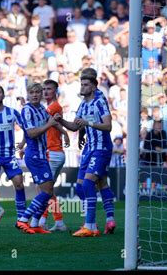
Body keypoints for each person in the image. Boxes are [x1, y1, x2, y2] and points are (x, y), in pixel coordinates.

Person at [54, 74, 113, 237]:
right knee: (83, 187)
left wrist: (89, 124)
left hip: (101, 148)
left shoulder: (100, 102)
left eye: (86, 84)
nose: (82, 87)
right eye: (81, 84)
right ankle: (100, 221)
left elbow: (108, 126)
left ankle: (90, 225)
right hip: (88, 149)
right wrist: (61, 121)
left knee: (89, 185)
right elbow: (75, 126)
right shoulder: (82, 105)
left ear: (94, 87)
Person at [15, 83, 59, 234]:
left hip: (41, 155)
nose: (35, 95)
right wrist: (50, 124)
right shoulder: (27, 110)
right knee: (47, 191)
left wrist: (64, 132)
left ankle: (34, 223)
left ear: (41, 94)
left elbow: (51, 121)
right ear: (28, 94)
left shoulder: (41, 109)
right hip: (34, 156)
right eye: (32, 92)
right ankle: (23, 219)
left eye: (37, 92)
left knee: (48, 190)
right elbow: (32, 133)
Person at [0, 85, 26, 230]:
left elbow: (26, 127)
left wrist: (23, 144)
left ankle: (21, 217)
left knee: (19, 183)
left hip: (9, 156)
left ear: (3, 95)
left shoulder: (12, 112)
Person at [31, 79, 70, 232]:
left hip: (53, 152)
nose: (46, 91)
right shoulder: (50, 107)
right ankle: (58, 222)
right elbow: (53, 123)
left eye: (49, 89)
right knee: (47, 189)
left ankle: (41, 220)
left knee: (43, 189)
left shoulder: (54, 107)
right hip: (53, 152)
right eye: (44, 89)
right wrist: (65, 132)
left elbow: (42, 120)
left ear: (55, 92)